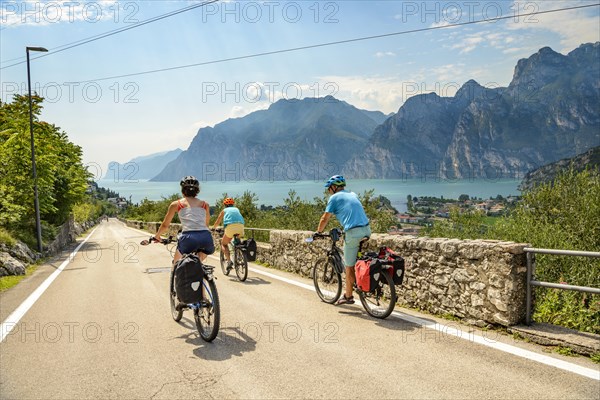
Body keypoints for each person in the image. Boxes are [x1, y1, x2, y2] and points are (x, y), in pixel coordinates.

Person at [316, 175, 371, 305]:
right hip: (366, 230)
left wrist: (318, 232)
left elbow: (325, 218)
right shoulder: (352, 194)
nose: (328, 191)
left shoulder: (334, 198)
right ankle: (361, 281)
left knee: (349, 266)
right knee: (359, 259)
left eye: (329, 188)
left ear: (334, 187)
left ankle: (348, 296)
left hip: (353, 232)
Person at [154, 176, 214, 264]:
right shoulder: (205, 204)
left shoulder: (176, 204)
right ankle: (200, 268)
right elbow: (206, 224)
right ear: (197, 191)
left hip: (188, 238)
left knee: (176, 264)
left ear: (182, 190)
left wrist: (157, 236)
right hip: (206, 237)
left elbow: (165, 225)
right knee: (198, 261)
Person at [212, 197, 245, 271]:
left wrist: (213, 228)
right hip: (241, 227)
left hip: (230, 227)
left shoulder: (224, 210)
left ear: (225, 205)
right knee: (237, 240)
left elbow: (218, 220)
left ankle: (229, 261)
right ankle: (239, 254)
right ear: (233, 204)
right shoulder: (237, 209)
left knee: (224, 244)